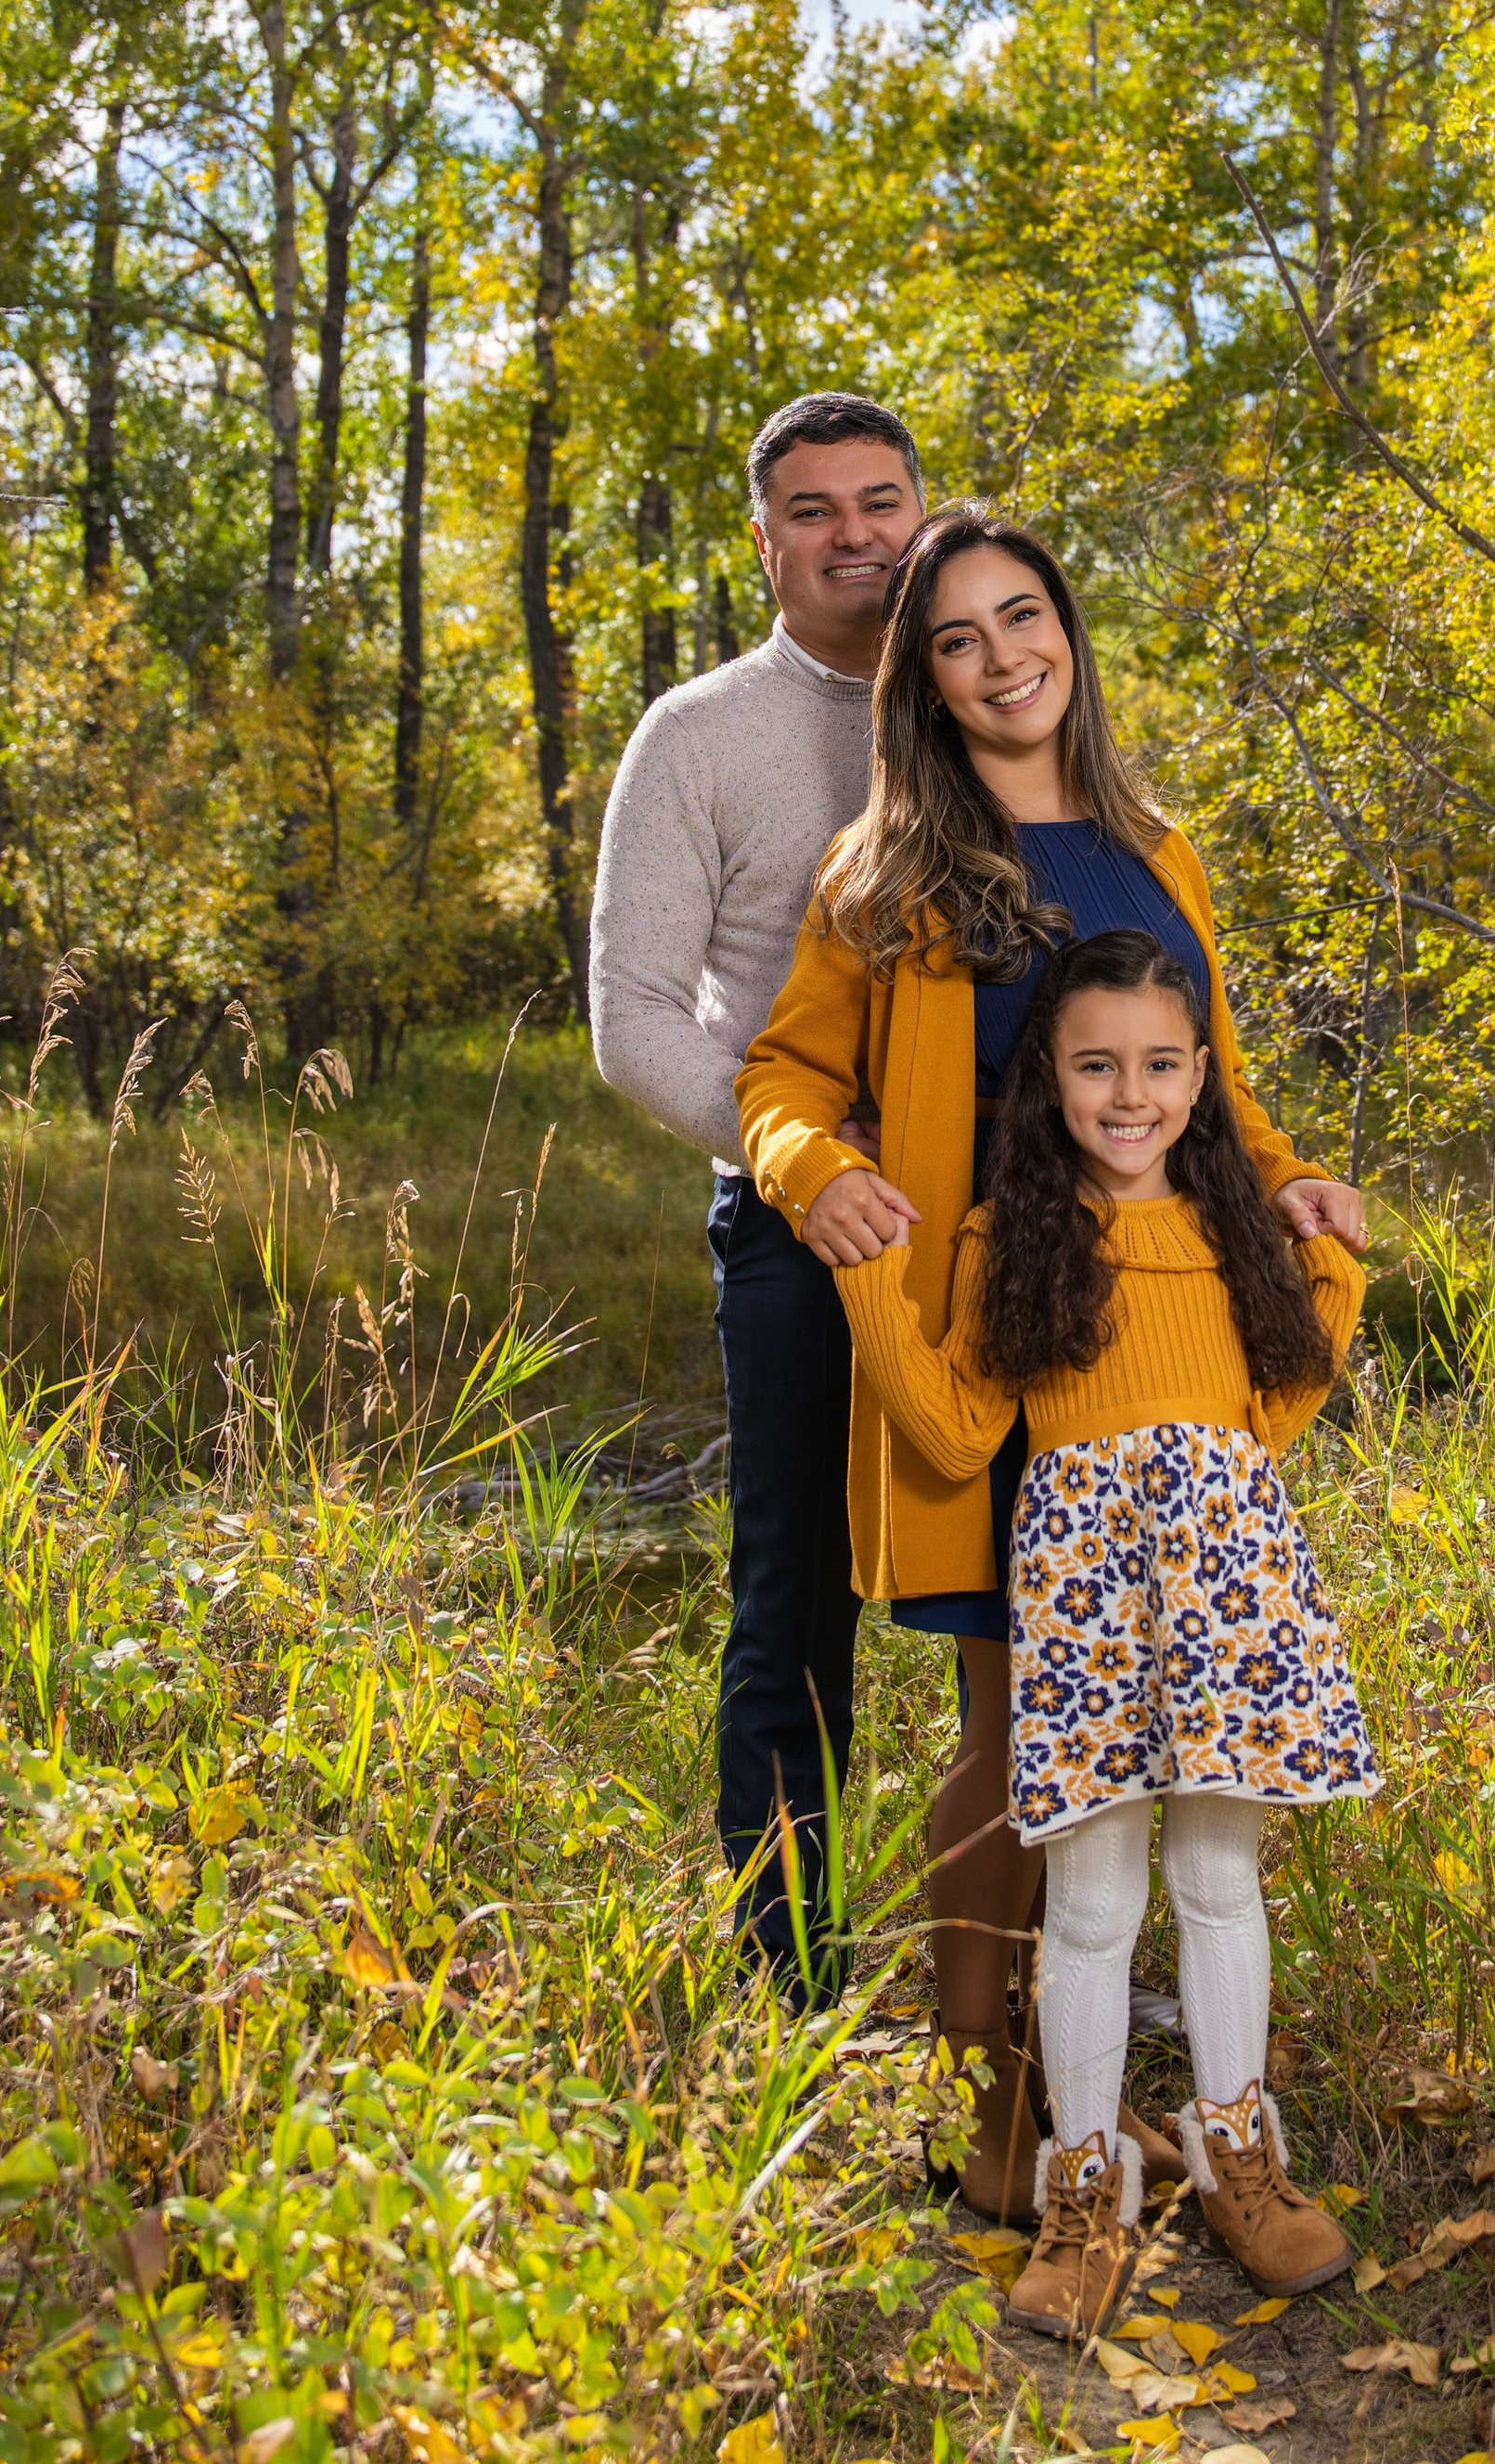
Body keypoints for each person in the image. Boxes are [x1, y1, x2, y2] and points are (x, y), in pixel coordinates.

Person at [738, 506, 1366, 2211]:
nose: (1003, 657)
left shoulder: (1156, 848)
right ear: (925, 682)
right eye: (959, 638)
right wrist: (817, 1173)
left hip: (1153, 1327)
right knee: (1013, 1715)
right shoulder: (886, 871)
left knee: (1153, 1727)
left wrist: (1288, 1180)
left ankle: (1114, 2086)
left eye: (1025, 617)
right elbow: (783, 1078)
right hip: (990, 1316)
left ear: (1067, 632)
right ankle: (990, 2088)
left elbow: (1211, 1085)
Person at [830, 927, 1379, 2339]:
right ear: (1049, 1079)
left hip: (1229, 1581)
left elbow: (1272, 1412)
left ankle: (1238, 2157)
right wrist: (869, 1288)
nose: (1129, 1096)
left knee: (1217, 1878)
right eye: (1095, 1066)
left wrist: (1334, 1269)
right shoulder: (1012, 1240)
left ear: (1199, 1079)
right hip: (1083, 1592)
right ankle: (1083, 2192)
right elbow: (959, 1434)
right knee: (1088, 1898)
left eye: (1159, 1065)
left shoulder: (1233, 1231)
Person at [589, 389, 927, 1998]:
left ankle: (1027, 1972)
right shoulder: (698, 734)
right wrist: (804, 1161)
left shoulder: (995, 688)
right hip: (800, 1231)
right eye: (815, 509)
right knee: (794, 1608)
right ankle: (797, 1986)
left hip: (1013, 1217)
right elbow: (634, 1020)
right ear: (765, 538)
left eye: (880, 501)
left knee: (1047, 1589)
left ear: (921, 511)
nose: (855, 535)